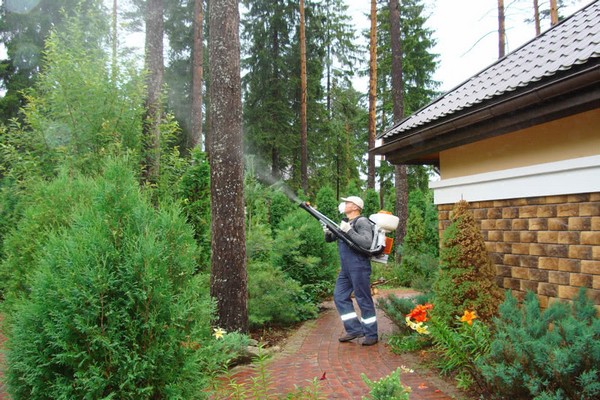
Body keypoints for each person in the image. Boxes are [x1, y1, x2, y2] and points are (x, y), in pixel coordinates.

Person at [324, 196, 378, 346]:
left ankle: (371, 333)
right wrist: (328, 232)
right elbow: (330, 239)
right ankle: (354, 329)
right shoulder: (346, 223)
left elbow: (366, 243)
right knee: (339, 296)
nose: (344, 204)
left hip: (359, 266)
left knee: (363, 299)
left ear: (355, 207)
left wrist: (349, 231)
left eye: (347, 203)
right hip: (346, 269)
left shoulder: (362, 221)